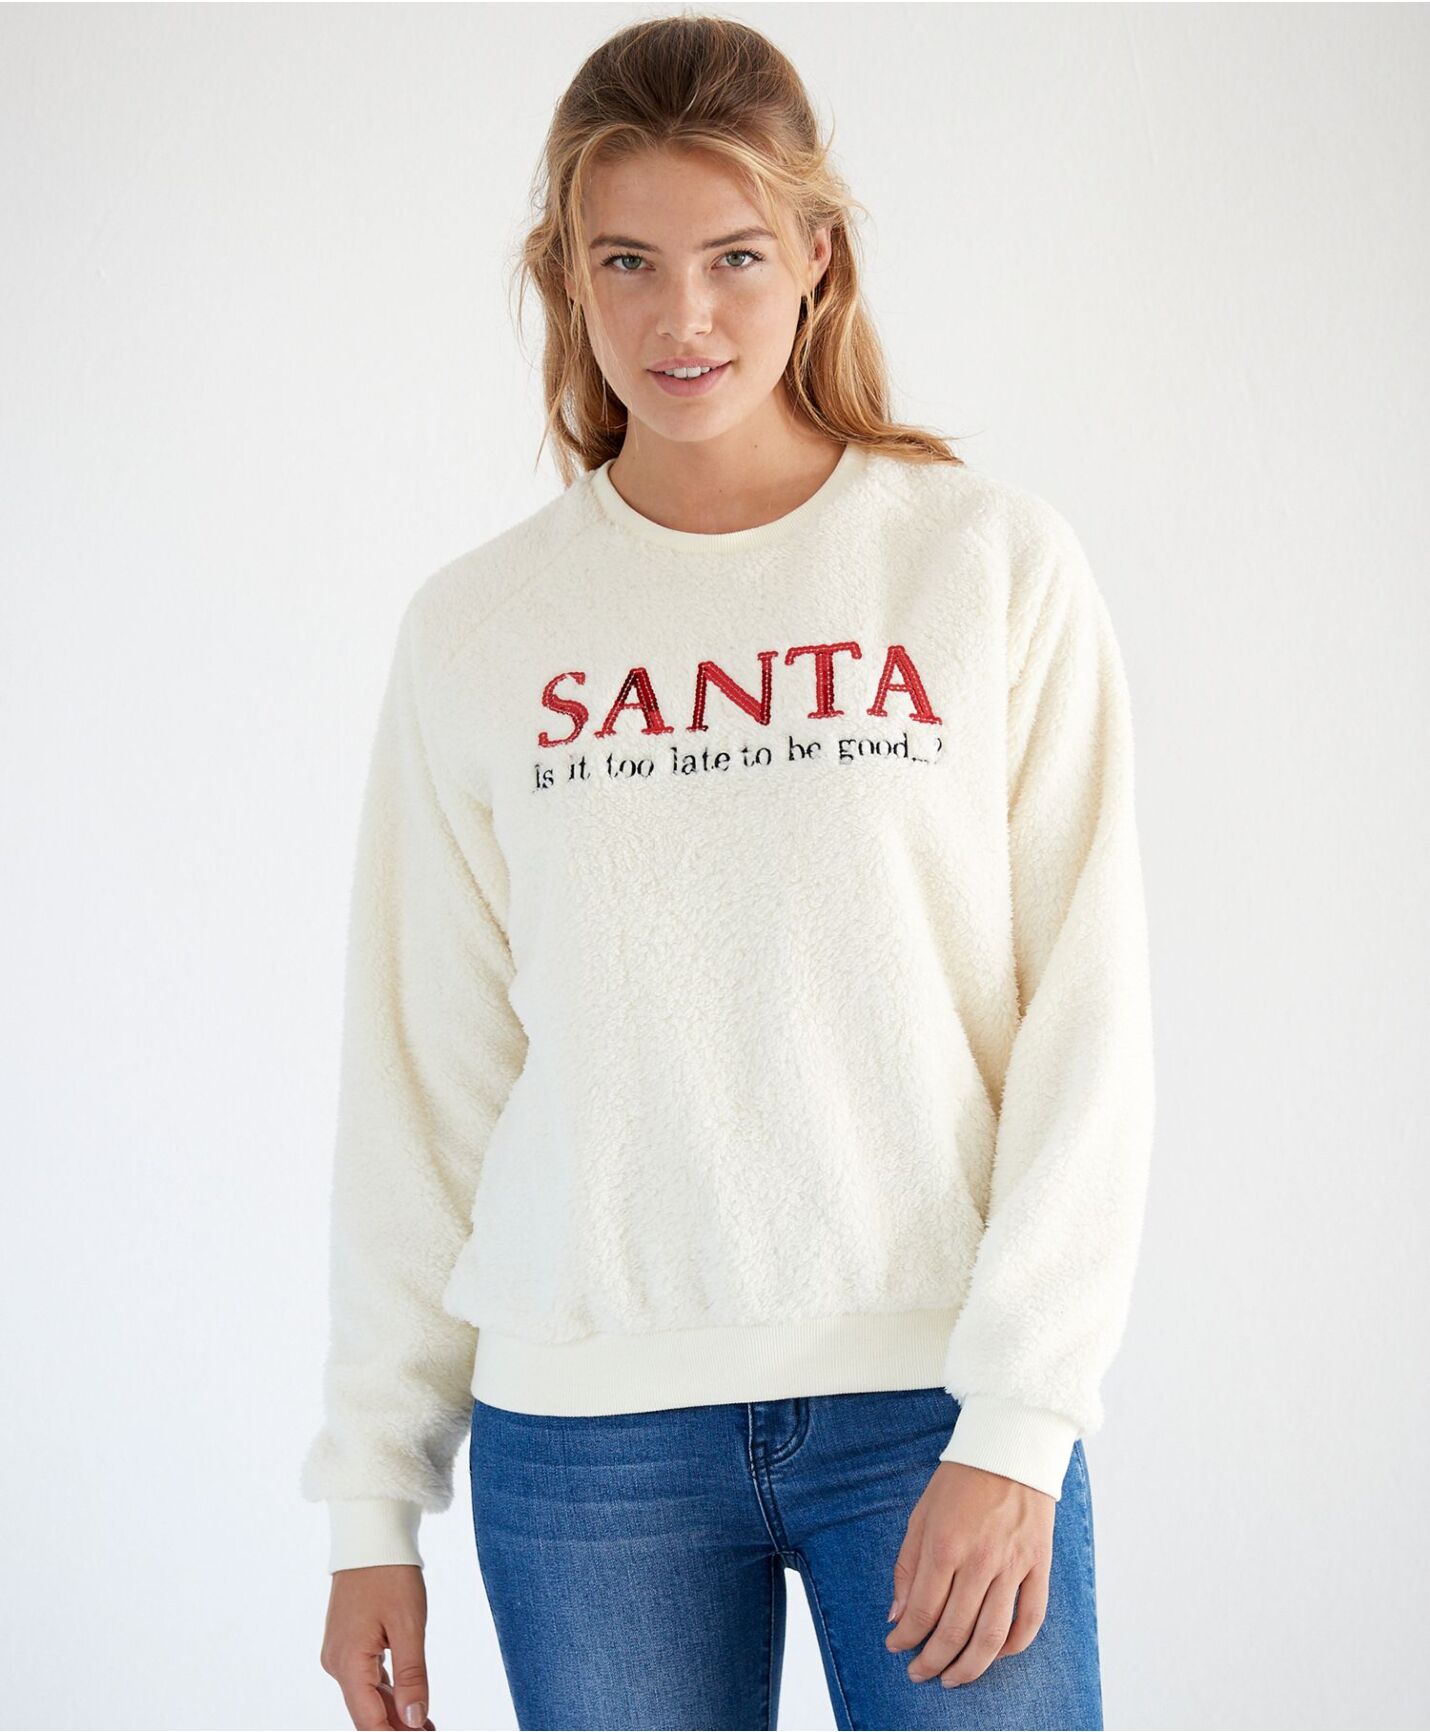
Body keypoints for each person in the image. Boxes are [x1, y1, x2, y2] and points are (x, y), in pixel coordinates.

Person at [301, 13, 1156, 1731]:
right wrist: (370, 1501)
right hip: (584, 1443)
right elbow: (423, 1075)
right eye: (625, 260)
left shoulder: (982, 566)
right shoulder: (479, 628)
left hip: (932, 1409)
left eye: (734, 256)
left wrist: (1020, 1422)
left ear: (818, 255)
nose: (680, 318)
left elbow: (1087, 1014)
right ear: (564, 272)